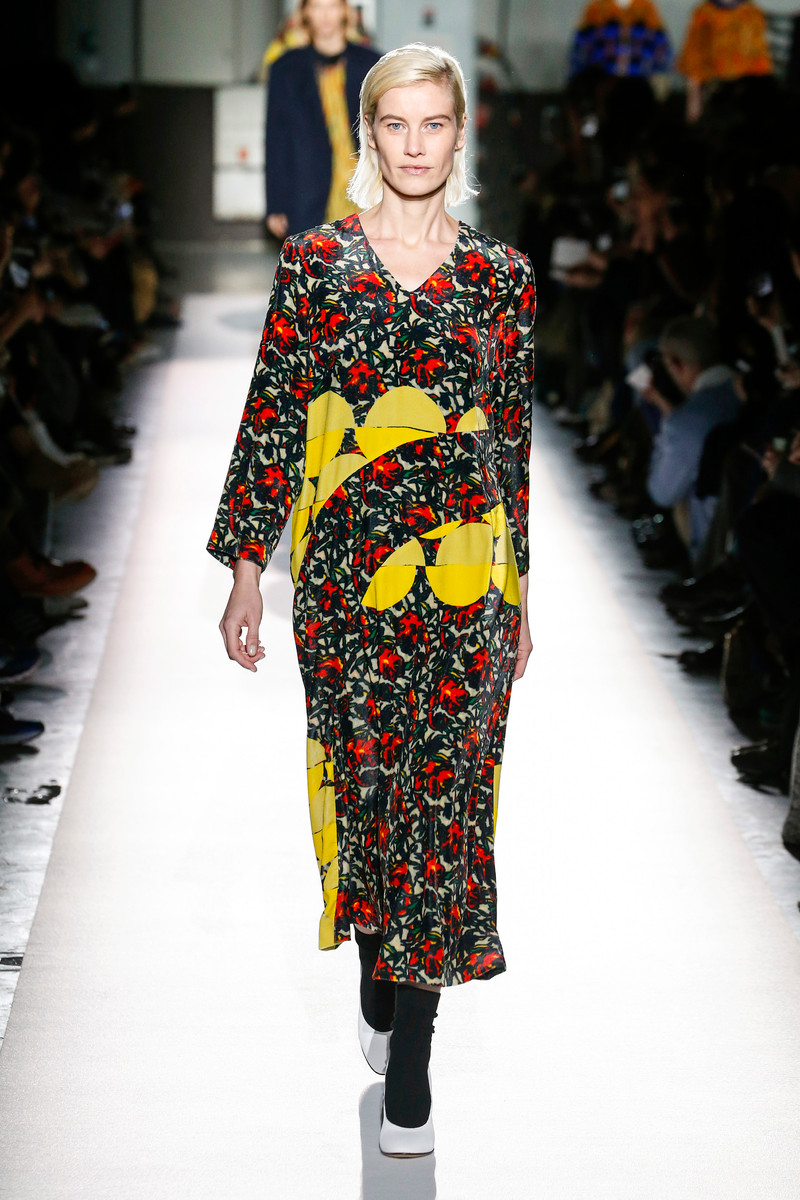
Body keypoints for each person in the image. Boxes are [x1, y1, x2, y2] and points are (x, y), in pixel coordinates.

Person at [209, 42, 535, 1158]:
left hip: (465, 581)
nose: (413, 144)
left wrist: (521, 594)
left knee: (443, 802)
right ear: (368, 133)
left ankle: (412, 1068)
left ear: (458, 133)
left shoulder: (500, 277)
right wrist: (246, 569)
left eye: (432, 123)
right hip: (345, 579)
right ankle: (377, 968)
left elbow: (512, 447)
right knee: (365, 789)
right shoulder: (315, 265)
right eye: (394, 123)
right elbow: (271, 414)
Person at [264, 0, 380, 240]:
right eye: (317, 6)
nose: (325, 15)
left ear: (344, 10)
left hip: (366, 190)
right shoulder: (285, 69)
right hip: (306, 192)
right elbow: (277, 140)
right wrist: (275, 204)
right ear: (305, 12)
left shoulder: (372, 64)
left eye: (332, 6)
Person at [645, 315, 740, 563]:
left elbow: (662, 491)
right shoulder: (745, 391)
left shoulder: (686, 421)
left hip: (713, 547)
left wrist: (667, 419)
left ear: (676, 364)